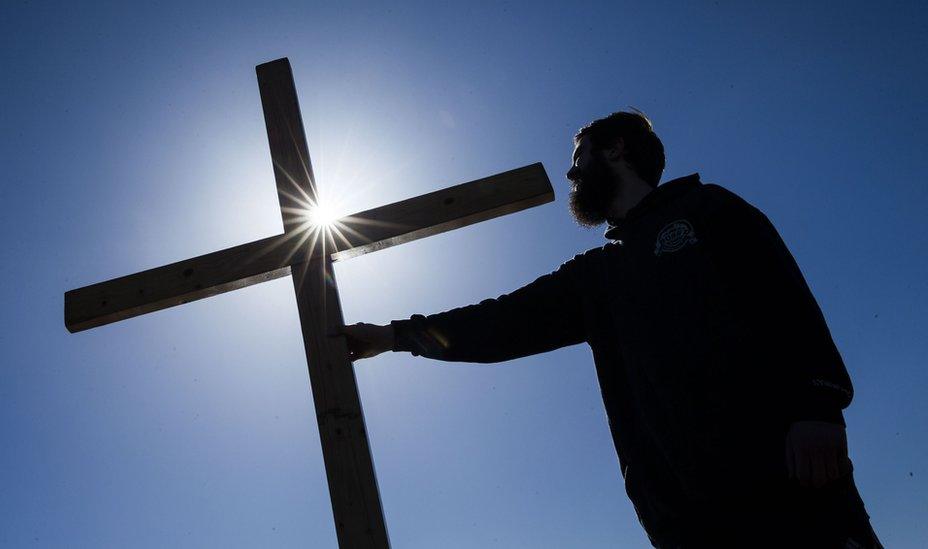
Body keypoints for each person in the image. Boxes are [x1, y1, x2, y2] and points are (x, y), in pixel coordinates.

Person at [334, 112, 882, 548]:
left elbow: (783, 297)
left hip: (786, 483)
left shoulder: (708, 209)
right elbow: (502, 322)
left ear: (616, 149)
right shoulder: (599, 276)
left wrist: (818, 406)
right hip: (689, 519)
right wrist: (392, 336)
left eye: (580, 158)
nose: (572, 173)